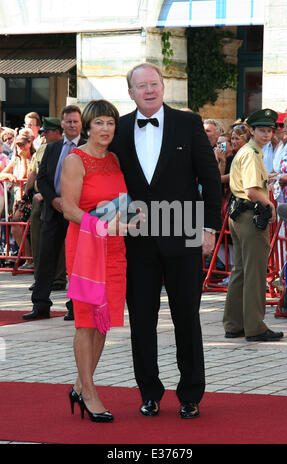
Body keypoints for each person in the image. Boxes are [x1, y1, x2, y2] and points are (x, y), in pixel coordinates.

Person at [110, 62, 222, 419]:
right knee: (142, 318)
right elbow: (113, 185)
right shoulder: (121, 128)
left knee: (186, 316)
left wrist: (208, 229)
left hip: (184, 232)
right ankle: (149, 391)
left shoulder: (188, 123)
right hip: (137, 239)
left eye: (154, 83)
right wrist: (112, 226)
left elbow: (209, 176)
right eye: (141, 86)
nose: (149, 90)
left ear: (163, 86)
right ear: (130, 93)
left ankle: (191, 393)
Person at [61, 99, 140, 423]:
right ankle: (90, 393)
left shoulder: (114, 160)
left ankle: (81, 385)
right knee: (85, 320)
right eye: (99, 123)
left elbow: (120, 201)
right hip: (84, 249)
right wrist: (105, 226)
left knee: (103, 321)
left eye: (110, 123)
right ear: (88, 126)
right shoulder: (75, 161)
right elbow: (69, 209)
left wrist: (133, 216)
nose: (105, 129)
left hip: (114, 248)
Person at [223, 108, 284, 342]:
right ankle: (255, 327)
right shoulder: (251, 153)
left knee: (240, 270)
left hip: (238, 213)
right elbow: (250, 190)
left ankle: (234, 324)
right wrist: (270, 204)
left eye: (270, 130)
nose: (267, 134)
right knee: (255, 272)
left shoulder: (249, 151)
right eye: (262, 130)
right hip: (249, 214)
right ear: (251, 131)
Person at [23, 105, 85, 320]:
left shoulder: (87, 147)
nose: (72, 125)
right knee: (46, 257)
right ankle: (40, 304)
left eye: (75, 121)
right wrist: (54, 200)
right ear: (62, 124)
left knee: (77, 260)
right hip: (54, 210)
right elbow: (43, 179)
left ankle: (75, 305)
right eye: (68, 122)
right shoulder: (52, 148)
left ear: (81, 124)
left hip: (77, 212)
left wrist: (71, 203)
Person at [23, 117, 66, 292]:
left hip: (59, 198)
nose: (44, 135)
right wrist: (26, 193)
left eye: (47, 132)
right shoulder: (42, 149)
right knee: (39, 239)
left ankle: (58, 278)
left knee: (60, 241)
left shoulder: (65, 148)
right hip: (40, 198)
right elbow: (34, 171)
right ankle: (41, 278)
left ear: (57, 132)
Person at [0, 133, 33, 266]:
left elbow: (26, 175)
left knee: (24, 228)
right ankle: (28, 258)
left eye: (22, 144)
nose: (19, 147)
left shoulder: (33, 158)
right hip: (18, 199)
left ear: (29, 143)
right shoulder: (16, 159)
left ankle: (31, 258)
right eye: (17, 144)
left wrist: (24, 158)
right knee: (16, 228)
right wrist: (8, 174)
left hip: (28, 198)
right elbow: (1, 173)